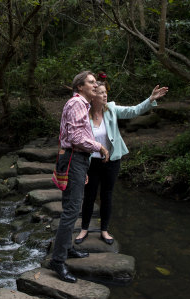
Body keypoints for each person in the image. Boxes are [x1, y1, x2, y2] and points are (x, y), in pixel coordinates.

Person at [74, 80, 168, 245]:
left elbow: (133, 111)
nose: (105, 95)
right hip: (91, 161)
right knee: (89, 196)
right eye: (101, 92)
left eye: (105, 92)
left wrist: (150, 99)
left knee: (107, 195)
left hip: (112, 160)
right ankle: (84, 229)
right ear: (93, 96)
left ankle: (104, 230)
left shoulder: (111, 109)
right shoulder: (84, 112)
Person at [49, 71, 110, 283]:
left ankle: (67, 248)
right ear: (80, 86)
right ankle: (57, 260)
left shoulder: (82, 104)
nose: (96, 85)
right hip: (75, 158)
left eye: (96, 82)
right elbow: (76, 137)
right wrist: (99, 147)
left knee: (72, 207)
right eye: (92, 82)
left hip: (77, 160)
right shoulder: (76, 104)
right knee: (71, 209)